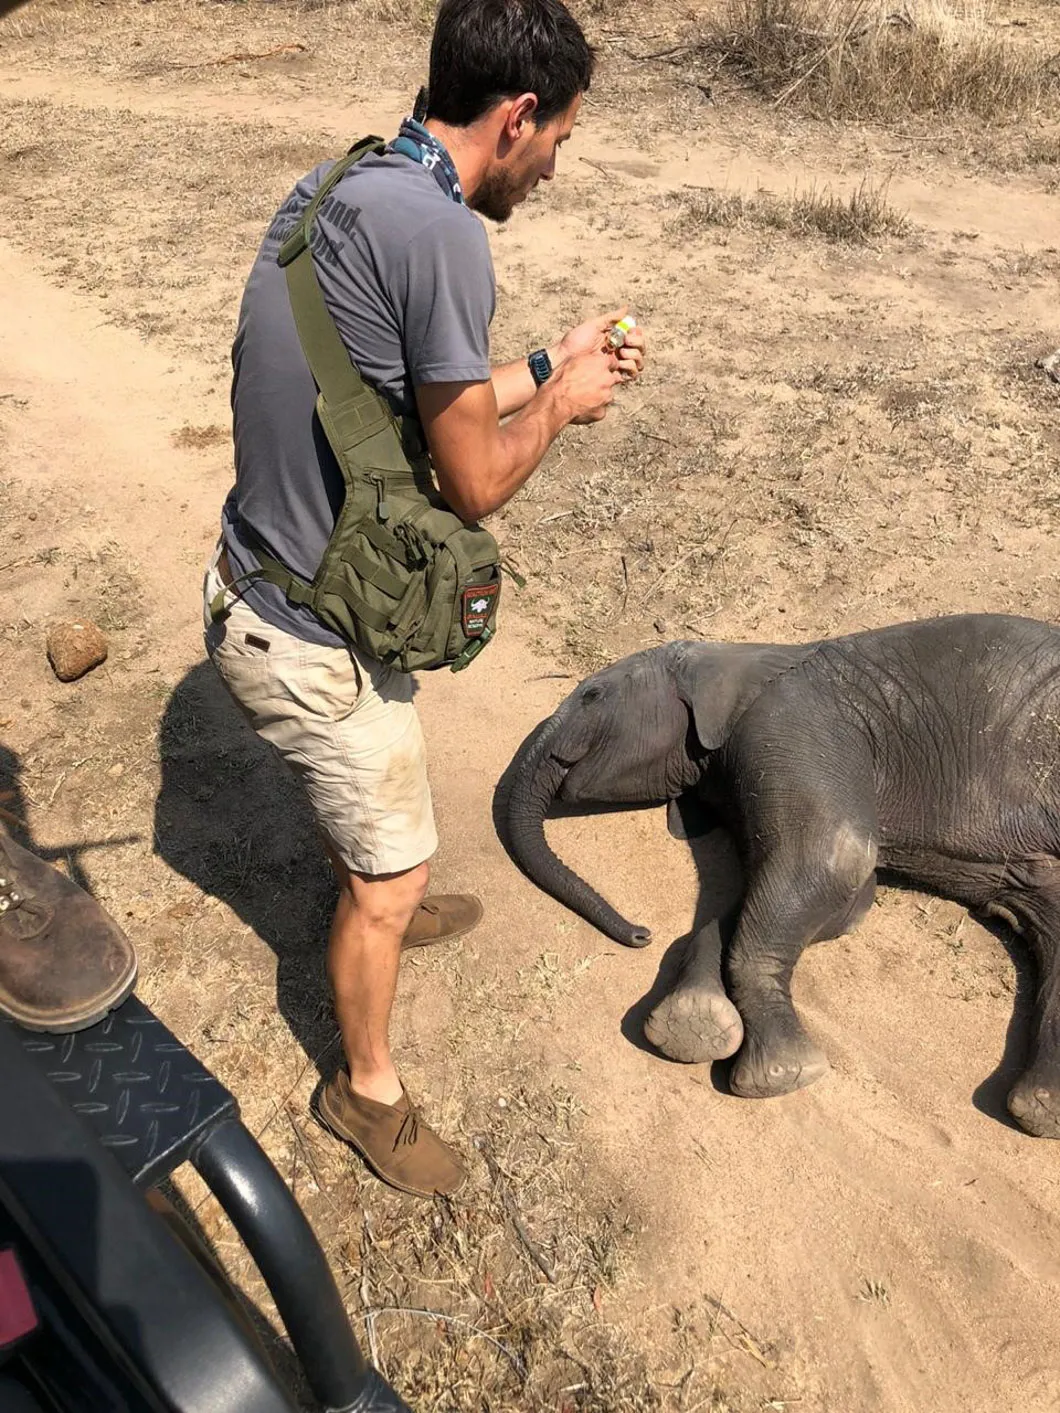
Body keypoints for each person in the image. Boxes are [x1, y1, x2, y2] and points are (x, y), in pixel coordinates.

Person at [203, 0, 648, 1199]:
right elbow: (475, 478)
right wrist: (561, 410)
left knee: (378, 838)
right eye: (558, 139)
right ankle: (364, 1088)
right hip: (306, 636)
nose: (554, 166)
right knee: (392, 878)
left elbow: (406, 395)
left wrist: (548, 363)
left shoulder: (343, 185)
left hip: (256, 575)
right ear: (517, 116)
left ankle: (372, 881)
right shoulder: (447, 236)